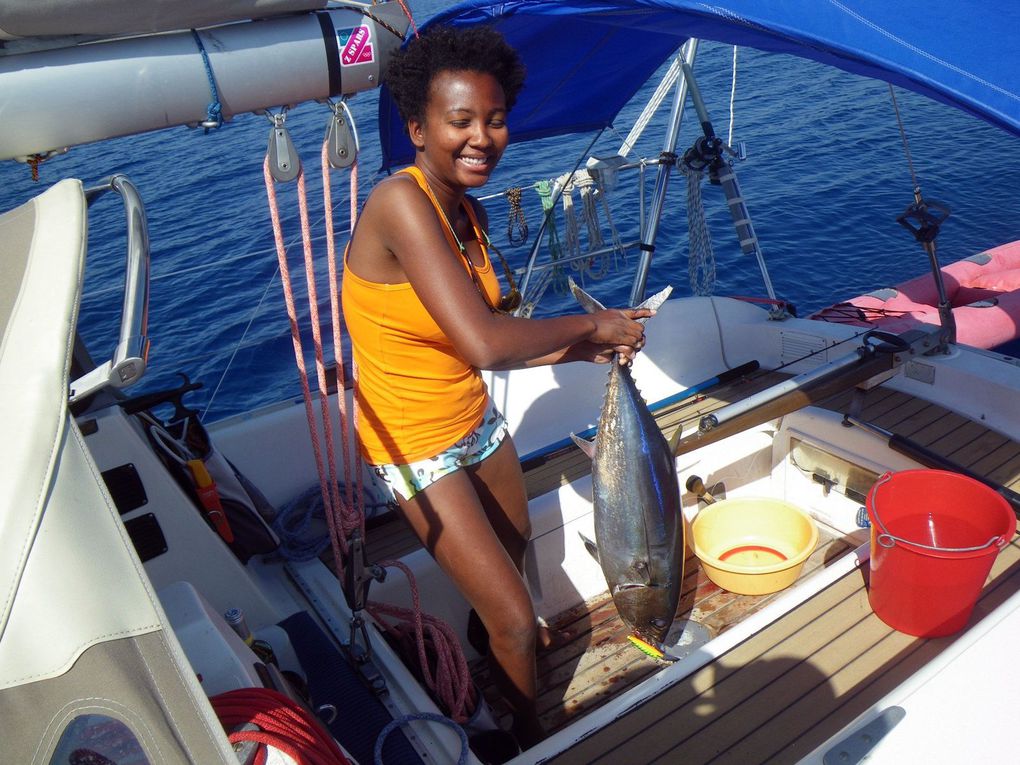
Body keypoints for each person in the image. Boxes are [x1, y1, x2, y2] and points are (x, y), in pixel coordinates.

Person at [341, 25, 651, 747]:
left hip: (474, 420)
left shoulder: (468, 213)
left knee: (514, 579)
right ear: (418, 128)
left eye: (496, 118)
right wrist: (593, 327)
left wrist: (585, 352)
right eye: (460, 121)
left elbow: (478, 343)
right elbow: (484, 339)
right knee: (517, 617)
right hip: (416, 448)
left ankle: (489, 670)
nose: (482, 136)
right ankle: (527, 734)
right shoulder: (401, 204)